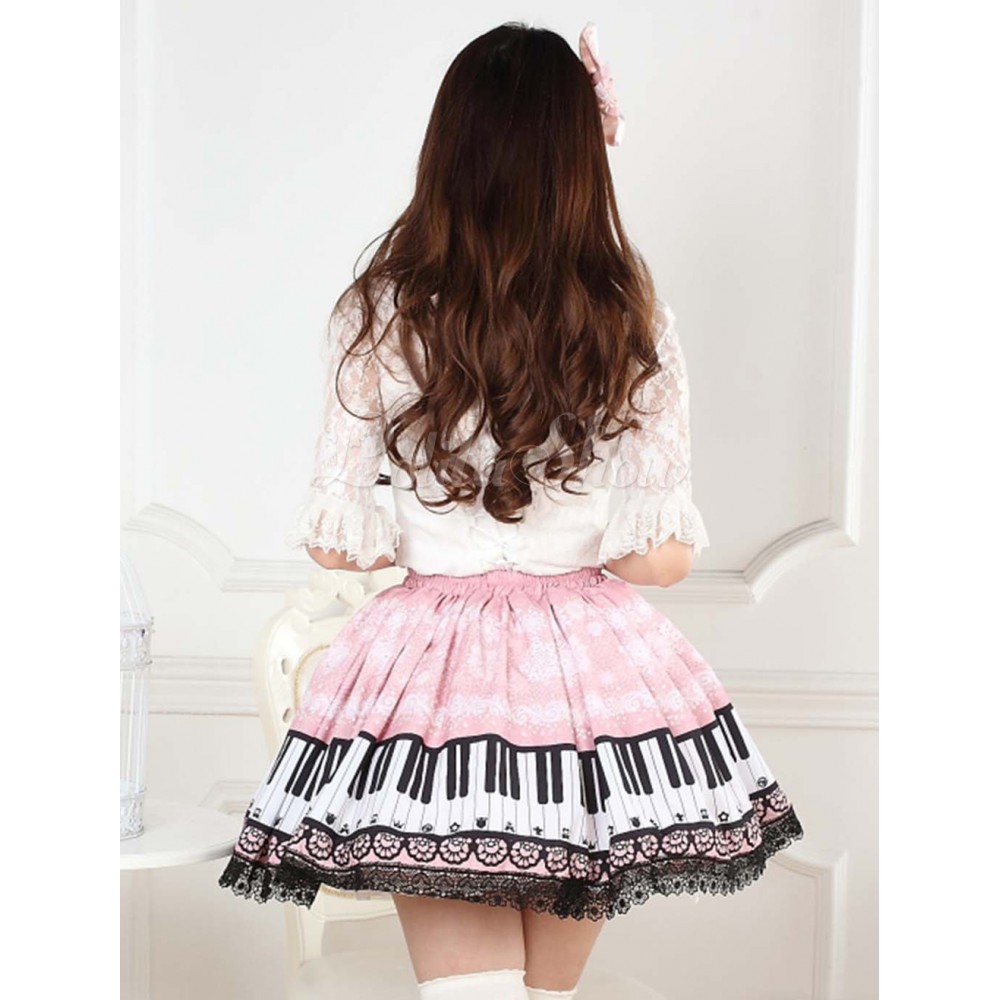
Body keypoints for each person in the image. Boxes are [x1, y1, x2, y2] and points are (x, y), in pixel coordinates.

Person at [218, 20, 805, 1000]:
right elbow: (659, 559)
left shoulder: (378, 313)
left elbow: (336, 546)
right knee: (544, 996)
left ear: (448, 147)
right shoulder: (627, 316)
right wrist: (569, 536)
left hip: (430, 680)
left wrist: (438, 527)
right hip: (584, 686)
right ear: (579, 157)